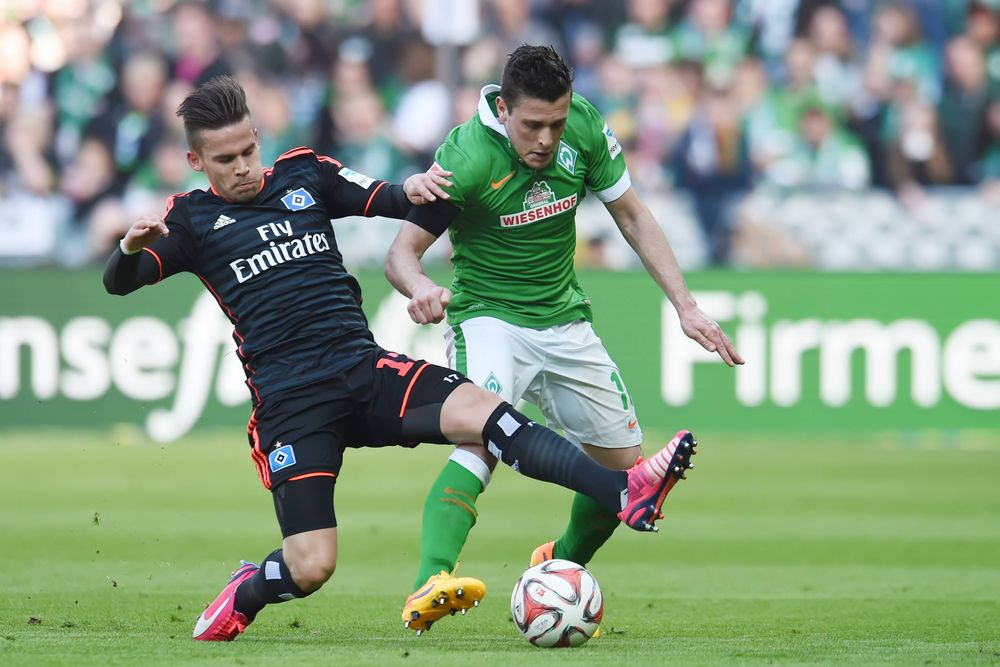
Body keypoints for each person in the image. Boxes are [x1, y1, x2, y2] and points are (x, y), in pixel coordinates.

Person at [102, 75, 694, 642]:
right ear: (196, 161)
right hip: (293, 405)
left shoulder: (304, 173)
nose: (242, 167)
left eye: (248, 150)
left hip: (364, 371)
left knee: (488, 414)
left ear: (259, 138)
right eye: (225, 159)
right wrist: (128, 248)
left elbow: (384, 196)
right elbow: (120, 282)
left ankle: (623, 491)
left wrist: (414, 187)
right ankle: (248, 590)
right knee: (311, 566)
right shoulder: (191, 220)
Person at [385, 45, 743, 631]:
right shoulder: (467, 156)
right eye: (533, 124)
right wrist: (420, 287)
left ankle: (560, 564)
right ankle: (431, 579)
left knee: (625, 473)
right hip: (489, 318)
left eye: (556, 122)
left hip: (564, 318)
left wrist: (685, 306)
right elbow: (402, 254)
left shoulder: (585, 126)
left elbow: (632, 215)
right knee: (482, 436)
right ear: (503, 109)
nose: (546, 139)